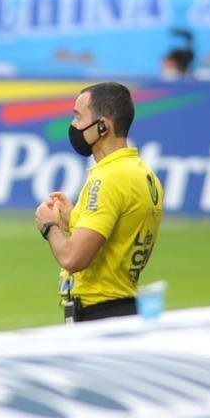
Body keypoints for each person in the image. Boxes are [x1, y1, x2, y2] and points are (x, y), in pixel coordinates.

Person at [35, 82, 164, 323]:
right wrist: (73, 219)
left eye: (78, 117)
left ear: (103, 125)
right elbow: (116, 237)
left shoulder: (108, 178)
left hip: (100, 313)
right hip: (123, 307)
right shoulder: (143, 174)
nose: (73, 126)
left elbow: (74, 258)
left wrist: (48, 226)